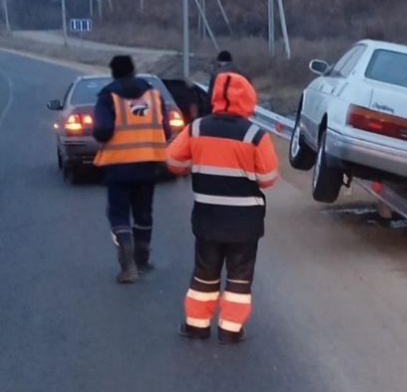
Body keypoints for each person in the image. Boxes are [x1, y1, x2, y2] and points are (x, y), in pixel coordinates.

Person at [166, 72, 279, 344]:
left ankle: (197, 325)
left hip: (207, 218)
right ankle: (230, 329)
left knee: (204, 272)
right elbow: (268, 179)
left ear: (215, 97)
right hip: (245, 222)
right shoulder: (255, 135)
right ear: (249, 99)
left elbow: (173, 162)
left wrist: (195, 164)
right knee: (240, 277)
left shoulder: (196, 128)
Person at [93, 55, 171, 283]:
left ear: (113, 73)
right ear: (133, 71)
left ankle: (128, 266)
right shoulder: (153, 95)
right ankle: (143, 260)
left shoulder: (108, 96)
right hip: (148, 165)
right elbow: (165, 130)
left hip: (118, 165)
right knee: (143, 213)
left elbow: (103, 130)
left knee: (118, 215)